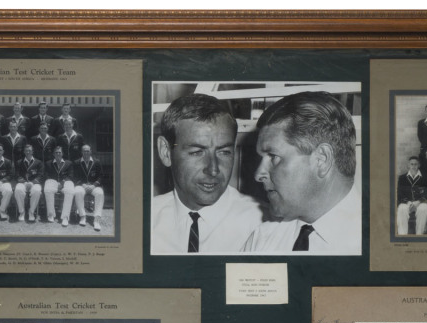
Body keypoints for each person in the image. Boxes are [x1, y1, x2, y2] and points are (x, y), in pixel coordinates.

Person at [243, 91, 360, 254]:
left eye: (273, 157)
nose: (258, 174)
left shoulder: (376, 244)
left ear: (322, 159)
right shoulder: (263, 239)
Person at [153, 93, 265, 254]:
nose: (213, 169)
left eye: (224, 152)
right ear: (165, 152)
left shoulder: (263, 225)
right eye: (197, 152)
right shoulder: (143, 222)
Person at [73, 145, 105, 231]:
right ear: (81, 152)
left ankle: (96, 219)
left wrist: (94, 185)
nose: (86, 153)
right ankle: (82, 216)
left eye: (87, 151)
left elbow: (101, 176)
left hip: (93, 186)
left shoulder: (97, 162)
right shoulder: (77, 162)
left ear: (91, 151)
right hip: (82, 186)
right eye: (84, 151)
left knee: (100, 193)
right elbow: (75, 177)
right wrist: (83, 184)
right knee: (77, 191)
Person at [396, 156, 427, 235]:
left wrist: (418, 202)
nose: (414, 166)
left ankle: (419, 234)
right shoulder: (402, 178)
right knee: (401, 209)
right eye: (412, 164)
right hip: (407, 203)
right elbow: (400, 194)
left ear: (419, 165)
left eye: (416, 164)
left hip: (420, 203)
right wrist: (408, 202)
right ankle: (402, 235)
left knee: (423, 208)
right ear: (408, 165)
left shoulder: (425, 178)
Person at [43, 146, 76, 225]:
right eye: (56, 152)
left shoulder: (68, 163)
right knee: (47, 190)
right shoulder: (48, 163)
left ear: (62, 154)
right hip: (52, 182)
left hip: (65, 182)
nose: (58, 154)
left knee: (70, 191)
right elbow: (46, 176)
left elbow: (71, 175)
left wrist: (62, 182)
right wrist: (55, 182)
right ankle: (51, 214)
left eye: (59, 152)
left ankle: (65, 217)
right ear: (53, 154)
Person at [14, 144, 44, 222]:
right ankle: (22, 212)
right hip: (23, 182)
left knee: (37, 191)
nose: (28, 152)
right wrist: (24, 182)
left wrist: (32, 183)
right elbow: (17, 175)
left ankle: (31, 212)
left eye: (29, 150)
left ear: (32, 152)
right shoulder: (19, 162)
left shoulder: (38, 162)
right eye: (26, 150)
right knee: (18, 190)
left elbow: (40, 175)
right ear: (24, 152)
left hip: (34, 183)